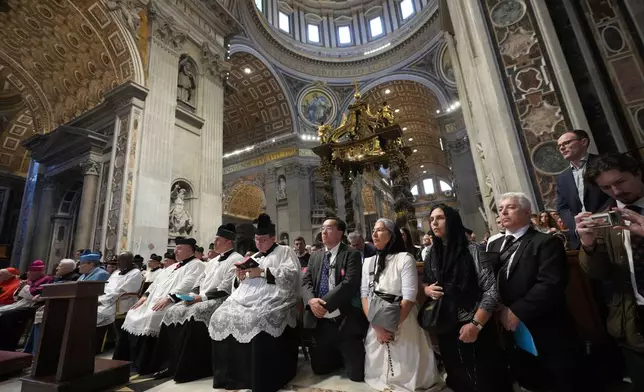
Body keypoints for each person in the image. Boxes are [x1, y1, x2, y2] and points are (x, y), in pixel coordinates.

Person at [488, 192, 581, 392]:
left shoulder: (545, 242)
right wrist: (498, 308)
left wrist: (517, 311)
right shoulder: (494, 245)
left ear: (527, 212)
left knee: (557, 379)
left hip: (544, 324)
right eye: (501, 208)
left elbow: (550, 284)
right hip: (506, 323)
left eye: (510, 207)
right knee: (527, 377)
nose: (503, 211)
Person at [422, 205, 510, 392]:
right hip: (446, 325)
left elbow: (491, 290)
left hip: (474, 323)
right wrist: (427, 289)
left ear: (452, 220)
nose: (434, 223)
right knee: (458, 378)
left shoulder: (473, 250)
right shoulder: (431, 254)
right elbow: (426, 282)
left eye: (440, 218)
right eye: (431, 220)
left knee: (485, 380)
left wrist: (476, 324)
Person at [209, 213, 300, 392]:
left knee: (256, 319)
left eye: (263, 239)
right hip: (248, 297)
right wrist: (239, 277)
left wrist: (264, 272)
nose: (259, 243)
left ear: (273, 238)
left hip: (275, 298)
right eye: (256, 239)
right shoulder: (255, 256)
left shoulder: (285, 251)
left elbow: (291, 276)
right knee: (219, 315)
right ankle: (229, 377)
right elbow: (244, 282)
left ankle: (256, 378)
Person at [577, 153, 644, 389]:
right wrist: (589, 245)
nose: (615, 192)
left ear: (637, 172)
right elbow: (597, 274)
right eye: (606, 187)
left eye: (620, 182)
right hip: (632, 321)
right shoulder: (606, 217)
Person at [152, 224, 242, 382]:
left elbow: (226, 288)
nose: (214, 242)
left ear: (228, 242)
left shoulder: (237, 259)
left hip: (220, 299)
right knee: (172, 311)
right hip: (199, 296)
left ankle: (190, 368)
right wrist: (192, 295)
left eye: (217, 239)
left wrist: (200, 298)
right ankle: (169, 364)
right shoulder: (212, 261)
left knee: (195, 313)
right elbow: (200, 281)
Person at [363, 218, 443, 391]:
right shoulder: (368, 262)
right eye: (373, 230)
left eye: (380, 230)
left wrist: (390, 327)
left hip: (402, 317)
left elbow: (409, 297)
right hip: (376, 319)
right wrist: (377, 328)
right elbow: (364, 295)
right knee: (379, 372)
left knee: (407, 368)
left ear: (391, 236)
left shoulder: (405, 259)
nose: (374, 234)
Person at [114, 238, 205, 374]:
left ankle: (145, 364)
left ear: (189, 250)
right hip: (153, 300)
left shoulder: (197, 265)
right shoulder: (173, 266)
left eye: (179, 248)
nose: (175, 251)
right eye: (175, 248)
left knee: (152, 316)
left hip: (175, 301)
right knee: (132, 313)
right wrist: (145, 296)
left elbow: (188, 284)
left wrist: (169, 298)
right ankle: (127, 359)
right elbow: (156, 282)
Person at [302, 218, 366, 381]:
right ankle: (335, 355)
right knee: (320, 370)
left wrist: (323, 303)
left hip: (344, 319)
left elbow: (349, 283)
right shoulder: (315, 256)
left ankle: (344, 353)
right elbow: (305, 282)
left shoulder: (351, 254)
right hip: (321, 322)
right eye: (323, 228)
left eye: (329, 228)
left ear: (340, 232)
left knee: (356, 374)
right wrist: (311, 301)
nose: (323, 232)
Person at [556, 129, 611, 249]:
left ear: (584, 142)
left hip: (609, 229)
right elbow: (562, 207)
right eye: (559, 146)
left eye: (566, 143)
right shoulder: (562, 177)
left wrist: (596, 220)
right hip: (581, 237)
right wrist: (576, 225)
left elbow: (614, 193)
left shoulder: (605, 163)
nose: (561, 148)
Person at [0, 260, 53, 350]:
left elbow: (32, 296)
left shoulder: (46, 280)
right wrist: (22, 287)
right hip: (21, 303)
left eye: (31, 271)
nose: (28, 273)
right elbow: (17, 297)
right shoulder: (30, 280)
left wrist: (25, 286)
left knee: (7, 315)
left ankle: (7, 346)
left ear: (38, 272)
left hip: (33, 305)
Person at [96, 252, 143, 341]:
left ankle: (98, 341)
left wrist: (102, 301)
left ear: (129, 261)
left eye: (121, 261)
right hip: (106, 298)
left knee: (98, 313)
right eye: (118, 260)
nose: (118, 263)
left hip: (121, 301)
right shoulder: (117, 272)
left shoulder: (135, 273)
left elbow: (122, 291)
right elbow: (107, 286)